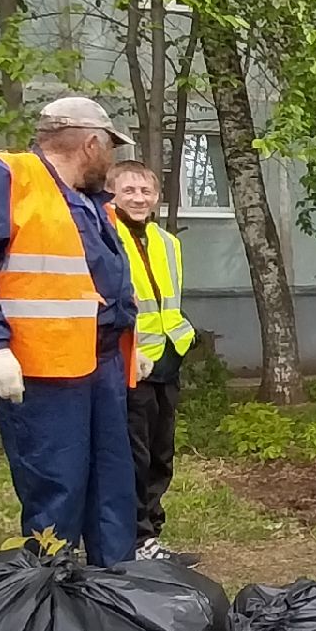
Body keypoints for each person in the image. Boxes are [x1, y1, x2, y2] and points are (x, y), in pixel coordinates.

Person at [0, 97, 140, 567]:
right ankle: (52, 590)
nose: (111, 162)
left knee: (112, 483)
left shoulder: (93, 205)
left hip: (100, 362)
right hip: (45, 369)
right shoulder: (5, 179)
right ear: (92, 144)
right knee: (57, 487)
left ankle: (116, 586)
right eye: (111, 149)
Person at [105, 160, 200, 565]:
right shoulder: (102, 235)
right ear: (112, 193)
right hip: (126, 362)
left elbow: (166, 301)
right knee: (134, 454)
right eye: (129, 190)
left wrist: (183, 341)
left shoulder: (167, 242)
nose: (139, 198)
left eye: (146, 191)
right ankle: (136, 537)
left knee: (162, 454)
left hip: (166, 360)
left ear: (157, 197)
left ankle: (152, 535)